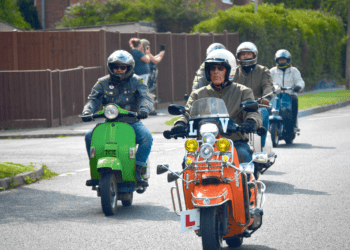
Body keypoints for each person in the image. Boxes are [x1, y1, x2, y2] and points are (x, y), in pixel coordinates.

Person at [172, 49, 262, 165]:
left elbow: (254, 113)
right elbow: (187, 113)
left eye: (220, 68)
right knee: (188, 162)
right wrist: (180, 123)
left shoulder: (243, 92)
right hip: (205, 143)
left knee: (243, 156)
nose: (215, 72)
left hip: (234, 142)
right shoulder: (198, 94)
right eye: (212, 68)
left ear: (230, 70)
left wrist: (251, 121)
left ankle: (248, 183)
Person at [82, 50, 153, 187]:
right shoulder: (102, 83)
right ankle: (95, 171)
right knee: (89, 136)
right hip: (109, 123)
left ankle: (138, 169)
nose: (119, 70)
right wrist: (87, 110)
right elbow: (93, 99)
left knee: (147, 137)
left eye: (123, 67)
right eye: (116, 67)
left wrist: (144, 109)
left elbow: (145, 98)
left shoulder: (138, 81)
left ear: (129, 68)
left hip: (132, 122)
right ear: (111, 67)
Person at [233, 41, 274, 148]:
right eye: (243, 54)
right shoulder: (233, 72)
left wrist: (266, 98)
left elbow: (268, 86)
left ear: (254, 55)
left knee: (263, 112)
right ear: (238, 57)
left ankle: (260, 146)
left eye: (248, 53)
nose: (245, 56)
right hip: (236, 107)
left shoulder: (263, 71)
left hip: (256, 106)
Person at [270, 49, 305, 131]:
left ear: (288, 60)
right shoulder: (272, 71)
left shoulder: (294, 70)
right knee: (267, 106)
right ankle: (266, 125)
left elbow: (300, 81)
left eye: (284, 59)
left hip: (290, 94)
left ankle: (293, 124)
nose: (282, 61)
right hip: (275, 95)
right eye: (280, 60)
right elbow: (266, 82)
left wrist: (298, 86)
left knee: (294, 100)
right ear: (276, 60)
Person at [140, 39, 165, 114]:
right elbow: (156, 60)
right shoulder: (146, 54)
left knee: (147, 91)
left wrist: (160, 54)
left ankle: (148, 108)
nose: (149, 48)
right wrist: (162, 52)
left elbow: (153, 57)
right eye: (147, 47)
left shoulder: (143, 54)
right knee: (150, 91)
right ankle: (150, 109)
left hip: (148, 75)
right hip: (150, 76)